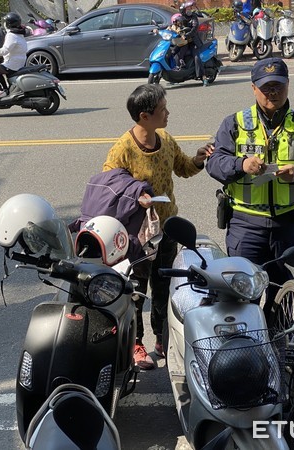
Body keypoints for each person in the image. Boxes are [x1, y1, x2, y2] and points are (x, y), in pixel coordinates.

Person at [206, 57, 294, 312]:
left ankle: (279, 343)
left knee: (283, 294)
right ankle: (249, 344)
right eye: (266, 87)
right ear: (253, 88)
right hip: (246, 225)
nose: (272, 92)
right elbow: (215, 163)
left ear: (288, 85)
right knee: (243, 296)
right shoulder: (235, 123)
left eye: (278, 86)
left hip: (289, 225)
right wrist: (241, 165)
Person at [103, 84, 214, 370]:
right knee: (137, 290)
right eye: (163, 109)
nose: (168, 113)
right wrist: (134, 196)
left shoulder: (164, 139)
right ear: (144, 116)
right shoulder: (123, 150)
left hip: (167, 231)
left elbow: (184, 168)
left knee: (165, 288)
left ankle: (162, 338)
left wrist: (199, 159)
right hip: (138, 236)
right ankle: (135, 343)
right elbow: (108, 188)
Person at [0, 12, 28, 100]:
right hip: (18, 62)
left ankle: (0, 91)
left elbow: (4, 50)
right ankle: (5, 89)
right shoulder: (18, 33)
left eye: (5, 22)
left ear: (8, 24)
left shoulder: (12, 35)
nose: (3, 24)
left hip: (12, 64)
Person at [179, 2, 207, 86]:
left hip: (193, 41)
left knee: (196, 57)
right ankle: (176, 76)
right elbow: (173, 26)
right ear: (183, 10)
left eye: (190, 8)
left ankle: (203, 77)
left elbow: (194, 29)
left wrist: (186, 35)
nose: (189, 10)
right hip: (184, 42)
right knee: (176, 54)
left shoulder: (194, 17)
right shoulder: (180, 18)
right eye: (187, 9)